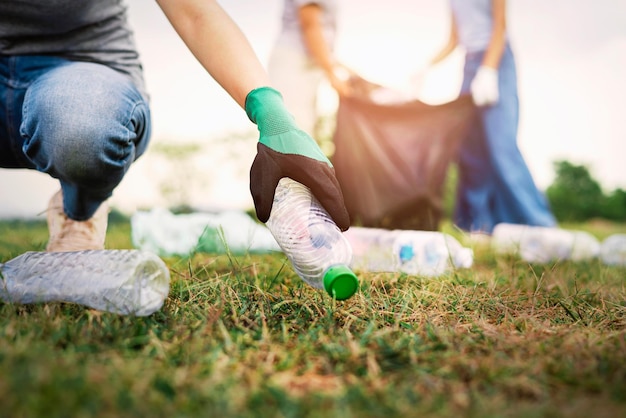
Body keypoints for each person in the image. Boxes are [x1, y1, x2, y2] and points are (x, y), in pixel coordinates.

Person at [0, 0, 350, 252]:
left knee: (78, 128)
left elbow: (195, 13)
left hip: (82, 77)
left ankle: (79, 210)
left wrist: (273, 116)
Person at [426, 0, 556, 235]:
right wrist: (426, 66)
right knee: (468, 149)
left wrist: (488, 70)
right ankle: (477, 224)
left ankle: (540, 223)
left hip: (496, 58)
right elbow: (454, 39)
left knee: (501, 145)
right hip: (469, 63)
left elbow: (499, 28)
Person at [267, 0, 356, 137]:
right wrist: (331, 73)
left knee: (307, 127)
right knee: (295, 126)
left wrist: (351, 73)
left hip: (310, 64)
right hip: (294, 61)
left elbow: (324, 44)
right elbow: (310, 25)